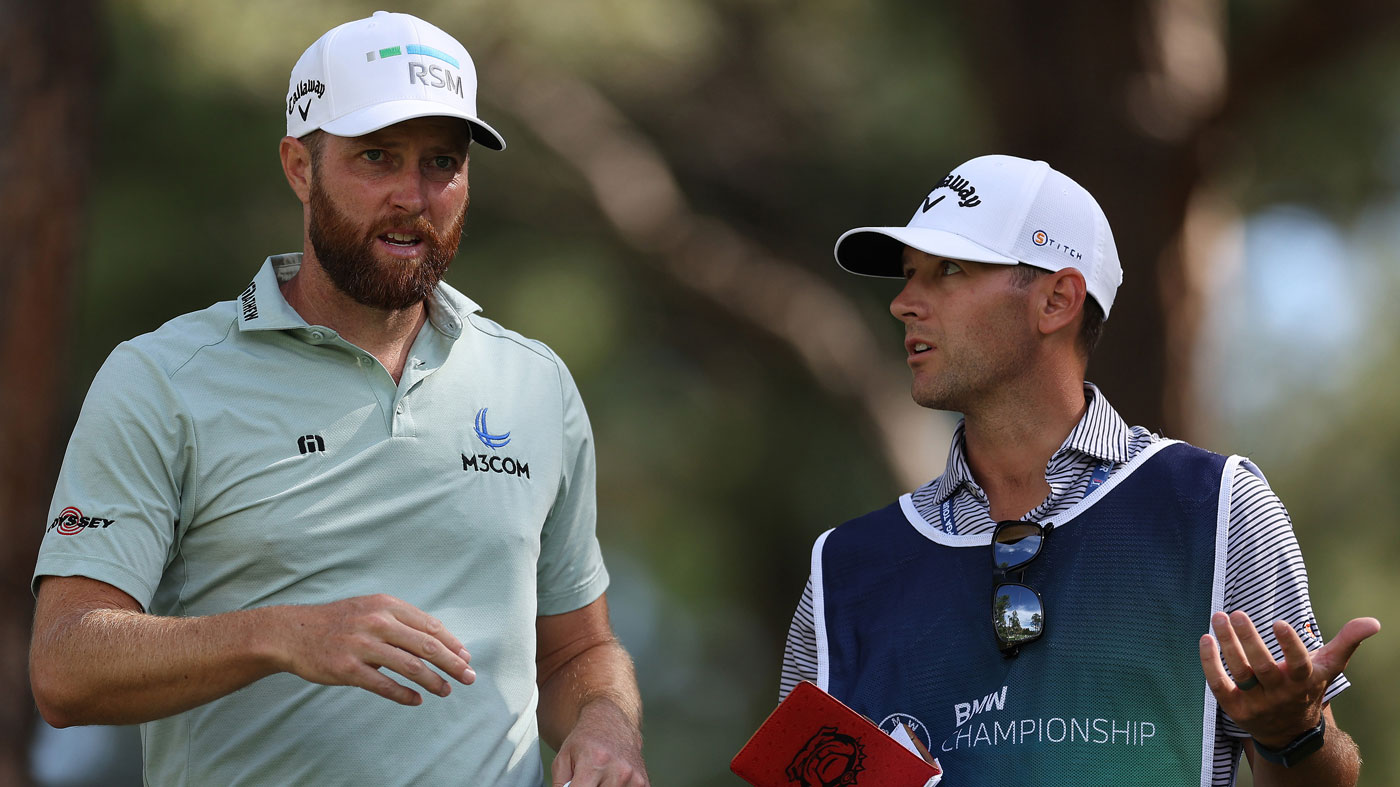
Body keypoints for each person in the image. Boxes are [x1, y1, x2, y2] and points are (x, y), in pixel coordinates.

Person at [29, 12, 647, 787]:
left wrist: (606, 723)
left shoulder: (535, 381)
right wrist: (280, 635)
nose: (411, 196)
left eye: (441, 163)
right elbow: (65, 664)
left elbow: (575, 653)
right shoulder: (164, 377)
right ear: (298, 165)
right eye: (376, 157)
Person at [778, 154, 1379, 785]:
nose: (903, 303)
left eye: (947, 270)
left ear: (1057, 300)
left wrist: (1292, 734)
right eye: (907, 276)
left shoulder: (1216, 506)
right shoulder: (842, 571)